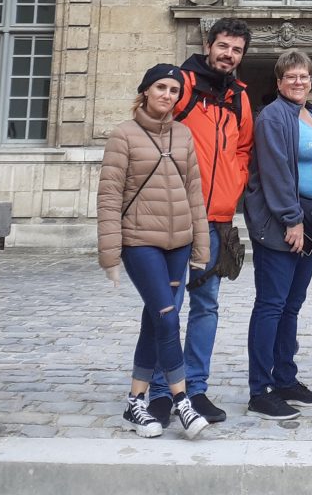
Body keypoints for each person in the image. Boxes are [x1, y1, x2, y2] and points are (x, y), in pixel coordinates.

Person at [147, 18, 254, 427]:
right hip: (177, 217)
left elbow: (243, 149)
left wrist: (234, 183)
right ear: (209, 44)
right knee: (167, 307)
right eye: (223, 46)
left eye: (237, 50)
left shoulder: (241, 97)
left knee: (206, 306)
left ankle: (195, 388)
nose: (229, 55)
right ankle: (160, 390)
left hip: (219, 219)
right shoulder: (181, 86)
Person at [96, 64, 211, 440]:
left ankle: (135, 400)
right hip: (140, 241)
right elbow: (110, 197)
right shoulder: (123, 136)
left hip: (177, 243)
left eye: (174, 90)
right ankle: (182, 401)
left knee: (154, 319)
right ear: (144, 91)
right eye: (160, 87)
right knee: (167, 317)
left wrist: (200, 244)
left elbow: (194, 193)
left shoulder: (183, 135)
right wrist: (110, 255)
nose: (167, 95)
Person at [243, 49, 312, 419]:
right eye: (292, 76)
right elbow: (275, 171)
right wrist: (291, 219)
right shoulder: (272, 117)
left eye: (305, 76)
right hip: (281, 225)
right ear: (279, 82)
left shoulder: (310, 114)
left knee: (291, 306)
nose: (299, 82)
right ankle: (259, 388)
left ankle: (284, 378)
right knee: (271, 304)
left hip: (309, 223)